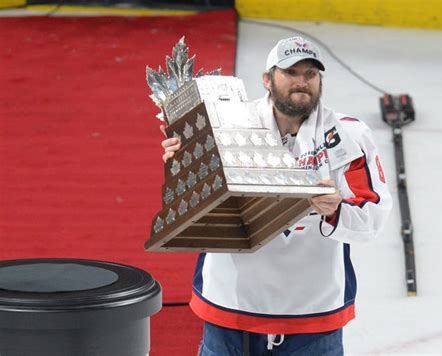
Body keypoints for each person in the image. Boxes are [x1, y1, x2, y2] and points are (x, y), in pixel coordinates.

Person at [161, 36, 392, 356]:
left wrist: (335, 210)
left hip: (313, 312)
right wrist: (184, 164)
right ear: (267, 80)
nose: (302, 81)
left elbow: (373, 215)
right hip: (231, 304)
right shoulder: (226, 124)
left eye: (310, 74)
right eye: (291, 72)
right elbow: (197, 207)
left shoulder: (350, 135)